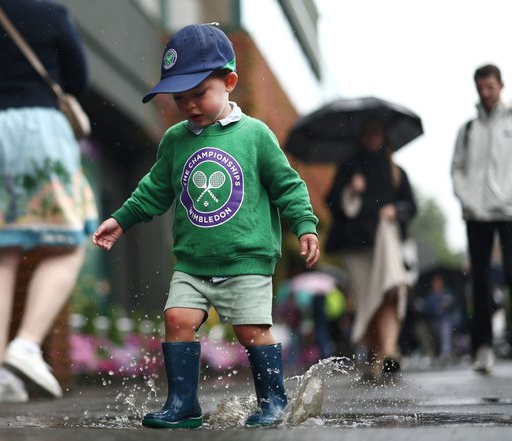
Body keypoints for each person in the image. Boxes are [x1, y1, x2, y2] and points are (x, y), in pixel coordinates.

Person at [92, 24, 320, 428]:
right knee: (178, 319)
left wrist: (304, 224)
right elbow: (153, 190)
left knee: (252, 331)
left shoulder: (254, 135)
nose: (190, 105)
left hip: (245, 259)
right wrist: (121, 219)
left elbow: (288, 184)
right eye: (180, 98)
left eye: (199, 94)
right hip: (193, 262)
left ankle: (273, 401)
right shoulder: (176, 140)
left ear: (229, 81)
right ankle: (184, 405)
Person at [0, 0, 98, 403]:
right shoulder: (53, 13)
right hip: (35, 130)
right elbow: (77, 81)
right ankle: (26, 345)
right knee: (72, 241)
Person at [325, 119, 417, 381]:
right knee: (369, 298)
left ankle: (389, 351)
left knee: (391, 287)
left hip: (386, 238)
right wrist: (350, 190)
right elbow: (331, 203)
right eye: (367, 131)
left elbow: (411, 205)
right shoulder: (348, 167)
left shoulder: (396, 171)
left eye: (376, 131)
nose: (371, 136)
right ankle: (377, 354)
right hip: (356, 245)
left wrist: (396, 210)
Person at [451, 63, 512, 374]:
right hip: (476, 214)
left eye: (490, 87)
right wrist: (468, 200)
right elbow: (457, 170)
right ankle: (483, 347)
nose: (485, 93)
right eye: (480, 88)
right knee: (481, 281)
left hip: (509, 213)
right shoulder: (468, 130)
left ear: (500, 85)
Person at [424, 274, 456, 360]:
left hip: (446, 320)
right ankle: (436, 352)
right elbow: (427, 309)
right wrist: (436, 308)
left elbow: (453, 305)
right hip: (434, 321)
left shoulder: (447, 293)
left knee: (445, 328)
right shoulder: (430, 296)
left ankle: (446, 352)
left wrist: (446, 304)